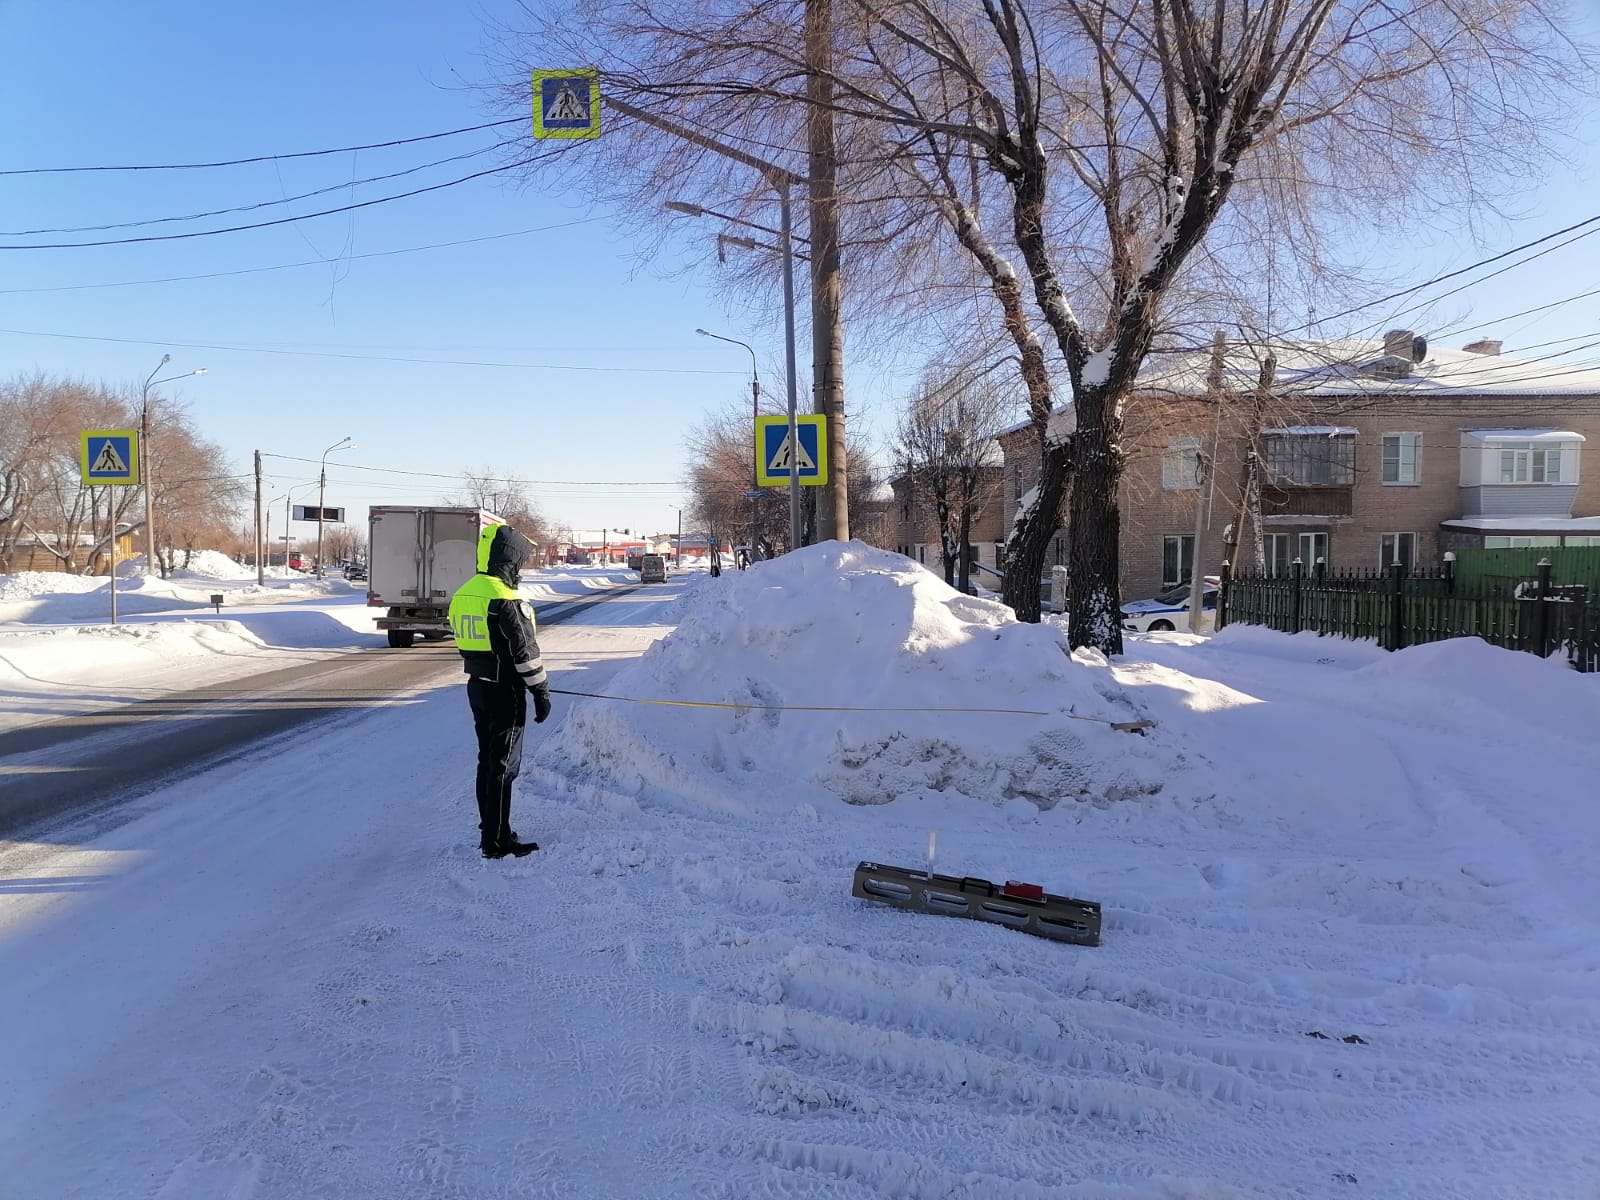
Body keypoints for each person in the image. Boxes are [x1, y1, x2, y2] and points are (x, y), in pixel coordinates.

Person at [447, 522, 553, 859]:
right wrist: (540, 692)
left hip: (477, 688)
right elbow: (525, 654)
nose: (521, 569)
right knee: (504, 767)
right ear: (509, 560)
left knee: (487, 763)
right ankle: (497, 841)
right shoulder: (505, 598)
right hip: (505, 693)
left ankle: (490, 831)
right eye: (520, 562)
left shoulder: (465, 593)